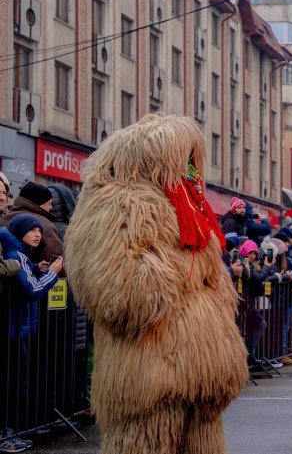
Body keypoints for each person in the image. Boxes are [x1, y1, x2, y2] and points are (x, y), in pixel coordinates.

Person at [64, 114, 248, 454]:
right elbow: (118, 292)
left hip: (203, 371)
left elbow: (213, 277)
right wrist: (182, 274)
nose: (189, 169)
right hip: (151, 370)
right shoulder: (114, 202)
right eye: (181, 159)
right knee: (146, 443)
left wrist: (215, 313)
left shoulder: (187, 206)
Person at [0, 214, 61, 454]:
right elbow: (32, 290)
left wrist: (36, 268)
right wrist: (53, 273)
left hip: (17, 330)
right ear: (19, 232)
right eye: (32, 230)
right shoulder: (17, 255)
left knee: (14, 383)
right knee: (12, 384)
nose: (38, 234)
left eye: (39, 230)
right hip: (14, 331)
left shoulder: (21, 255)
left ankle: (9, 431)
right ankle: (6, 434)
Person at [0, 181, 63, 263]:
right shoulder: (46, 225)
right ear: (38, 204)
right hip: (32, 274)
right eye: (49, 203)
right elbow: (56, 260)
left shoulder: (3, 219)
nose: (51, 207)